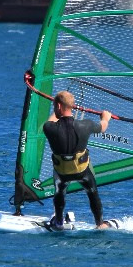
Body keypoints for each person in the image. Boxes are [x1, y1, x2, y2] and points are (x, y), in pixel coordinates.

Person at [43, 90, 112, 230]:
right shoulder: (85, 125)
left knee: (59, 191)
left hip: (62, 173)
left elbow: (52, 119)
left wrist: (57, 107)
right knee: (92, 192)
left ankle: (59, 220)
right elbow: (103, 127)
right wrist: (106, 117)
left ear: (58, 106)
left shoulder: (48, 128)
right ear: (73, 106)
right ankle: (100, 223)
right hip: (82, 172)